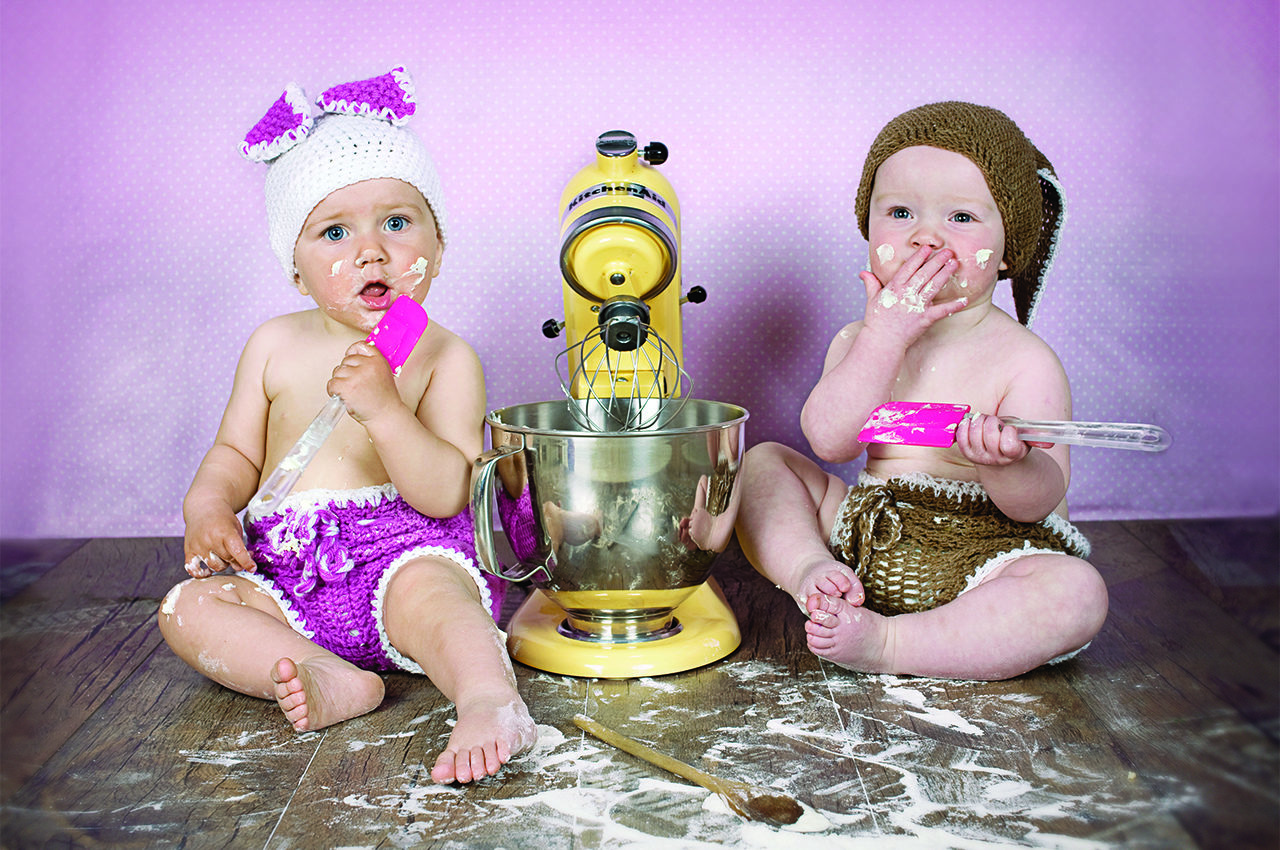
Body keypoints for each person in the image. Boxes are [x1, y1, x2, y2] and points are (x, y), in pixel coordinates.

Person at [157, 68, 536, 783]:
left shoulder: (445, 356)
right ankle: (321, 671)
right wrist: (206, 506)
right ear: (296, 270)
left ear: (438, 245)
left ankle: (488, 699)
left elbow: (447, 492)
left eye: (397, 222)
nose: (370, 251)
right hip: (285, 568)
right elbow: (236, 451)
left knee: (440, 601)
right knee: (189, 608)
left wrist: (386, 411)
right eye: (334, 232)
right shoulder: (273, 345)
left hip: (405, 552)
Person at [735, 101, 1108, 681]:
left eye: (960, 217)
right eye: (901, 212)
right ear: (868, 227)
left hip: (985, 553)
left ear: (1008, 250)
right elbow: (829, 442)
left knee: (1075, 593)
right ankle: (813, 575)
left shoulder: (1025, 361)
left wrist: (1007, 465)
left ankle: (893, 644)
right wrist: (883, 339)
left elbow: (1038, 502)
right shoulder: (859, 341)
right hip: (870, 531)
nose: (926, 236)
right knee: (763, 464)